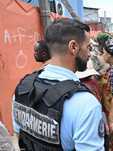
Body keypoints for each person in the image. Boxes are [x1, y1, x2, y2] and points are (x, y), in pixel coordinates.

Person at [13, 18, 104, 150]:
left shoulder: (23, 87)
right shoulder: (86, 104)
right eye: (88, 47)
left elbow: (17, 135)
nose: (89, 53)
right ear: (73, 47)